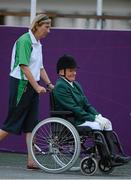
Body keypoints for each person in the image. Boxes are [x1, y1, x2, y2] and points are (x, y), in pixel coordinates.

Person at [53, 54, 130, 163]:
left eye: (75, 70)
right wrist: (93, 118)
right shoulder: (60, 86)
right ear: (61, 71)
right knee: (97, 125)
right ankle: (108, 157)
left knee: (107, 123)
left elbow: (86, 104)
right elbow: (74, 108)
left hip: (81, 117)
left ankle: (113, 155)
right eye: (71, 70)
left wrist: (98, 115)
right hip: (72, 120)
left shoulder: (76, 85)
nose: (74, 73)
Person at [0, 14, 54, 169]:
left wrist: (49, 84)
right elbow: (24, 66)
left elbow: (40, 68)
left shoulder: (38, 43)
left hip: (31, 85)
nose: (49, 31)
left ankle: (31, 160)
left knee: (31, 125)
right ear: (37, 25)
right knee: (10, 125)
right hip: (21, 85)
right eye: (47, 27)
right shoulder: (24, 41)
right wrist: (37, 87)